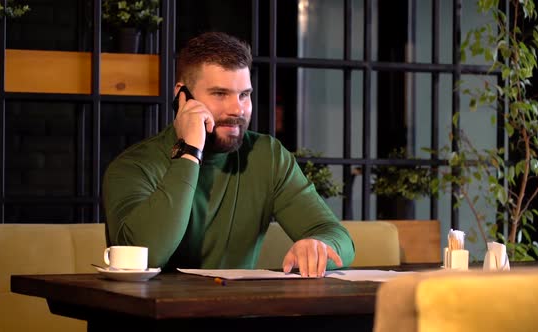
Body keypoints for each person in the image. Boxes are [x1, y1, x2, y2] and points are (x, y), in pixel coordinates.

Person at [103, 31, 355, 277]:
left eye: (244, 95)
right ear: (182, 96)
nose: (237, 109)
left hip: (236, 314)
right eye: (220, 94)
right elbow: (146, 256)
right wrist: (190, 152)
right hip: (152, 316)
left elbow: (337, 237)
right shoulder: (132, 167)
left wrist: (318, 246)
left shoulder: (266, 156)